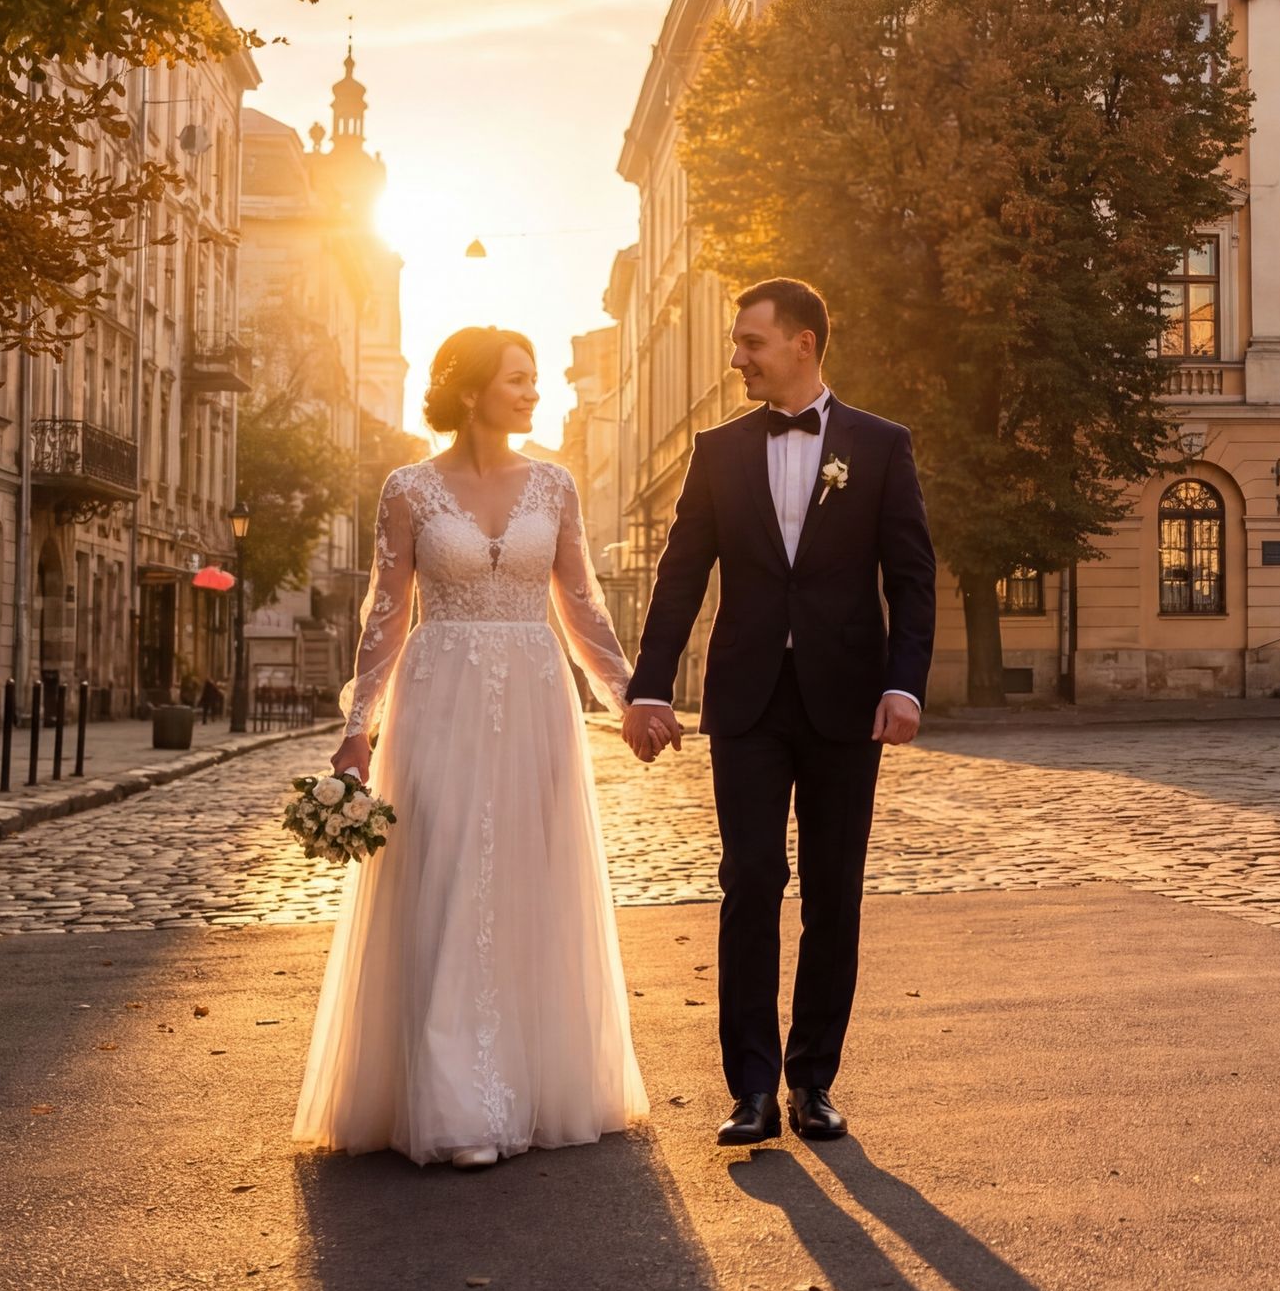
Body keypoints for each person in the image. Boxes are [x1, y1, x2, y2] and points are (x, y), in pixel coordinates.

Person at [293, 327, 649, 1168]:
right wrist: (358, 727)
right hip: (440, 695)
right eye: (518, 380)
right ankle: (455, 1100)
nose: (533, 393)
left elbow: (583, 606)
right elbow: (387, 612)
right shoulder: (409, 489)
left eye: (533, 380)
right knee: (449, 871)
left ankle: (531, 1082)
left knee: (528, 875)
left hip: (534, 697)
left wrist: (630, 698)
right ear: (471, 389)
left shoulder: (555, 485)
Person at [624, 277, 936, 1148]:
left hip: (849, 699)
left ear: (802, 343)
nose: (736, 359)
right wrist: (650, 685)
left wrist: (905, 682)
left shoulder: (880, 445)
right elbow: (682, 573)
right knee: (750, 882)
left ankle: (813, 1080)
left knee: (834, 891)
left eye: (750, 343)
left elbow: (911, 576)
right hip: (749, 700)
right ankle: (752, 1086)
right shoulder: (717, 451)